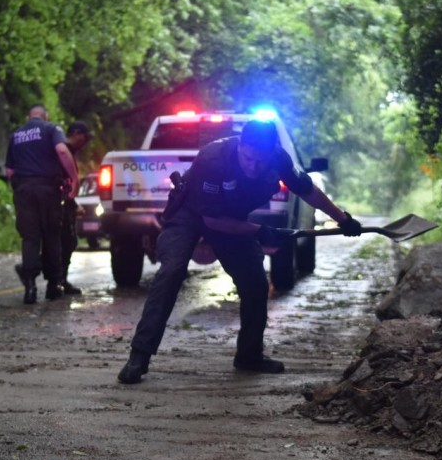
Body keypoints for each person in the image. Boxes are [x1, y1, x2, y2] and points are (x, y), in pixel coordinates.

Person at [117, 119, 363, 384]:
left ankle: (249, 355)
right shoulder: (213, 158)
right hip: (190, 214)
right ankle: (139, 355)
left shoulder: (279, 159)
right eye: (248, 158)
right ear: (240, 147)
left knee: (255, 282)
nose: (253, 167)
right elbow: (211, 221)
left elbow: (308, 191)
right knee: (172, 271)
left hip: (231, 218)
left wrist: (343, 219)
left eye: (260, 161)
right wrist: (259, 231)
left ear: (272, 152)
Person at [5, 104, 79, 304]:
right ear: (44, 116)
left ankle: (30, 287)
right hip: (47, 190)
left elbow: (9, 172)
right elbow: (62, 151)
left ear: (29, 117)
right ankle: (53, 286)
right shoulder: (51, 129)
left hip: (24, 191)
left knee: (30, 238)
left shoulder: (16, 135)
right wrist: (74, 178)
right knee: (51, 236)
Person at [58, 121, 93, 295]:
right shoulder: (62, 151)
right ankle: (56, 279)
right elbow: (62, 182)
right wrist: (73, 204)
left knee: (67, 242)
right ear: (77, 134)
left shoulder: (68, 151)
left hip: (64, 202)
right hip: (61, 203)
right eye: (84, 137)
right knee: (66, 241)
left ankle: (60, 280)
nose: (85, 142)